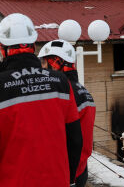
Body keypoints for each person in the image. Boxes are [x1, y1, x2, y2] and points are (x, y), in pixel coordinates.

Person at [0, 13, 83, 186]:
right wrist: (69, 178)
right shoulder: (61, 81)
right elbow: (75, 139)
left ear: (2, 48)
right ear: (33, 45)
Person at [39, 39, 96, 187]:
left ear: (56, 63)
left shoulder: (64, 93)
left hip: (68, 173)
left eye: (45, 63)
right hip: (80, 170)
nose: (42, 69)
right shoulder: (82, 90)